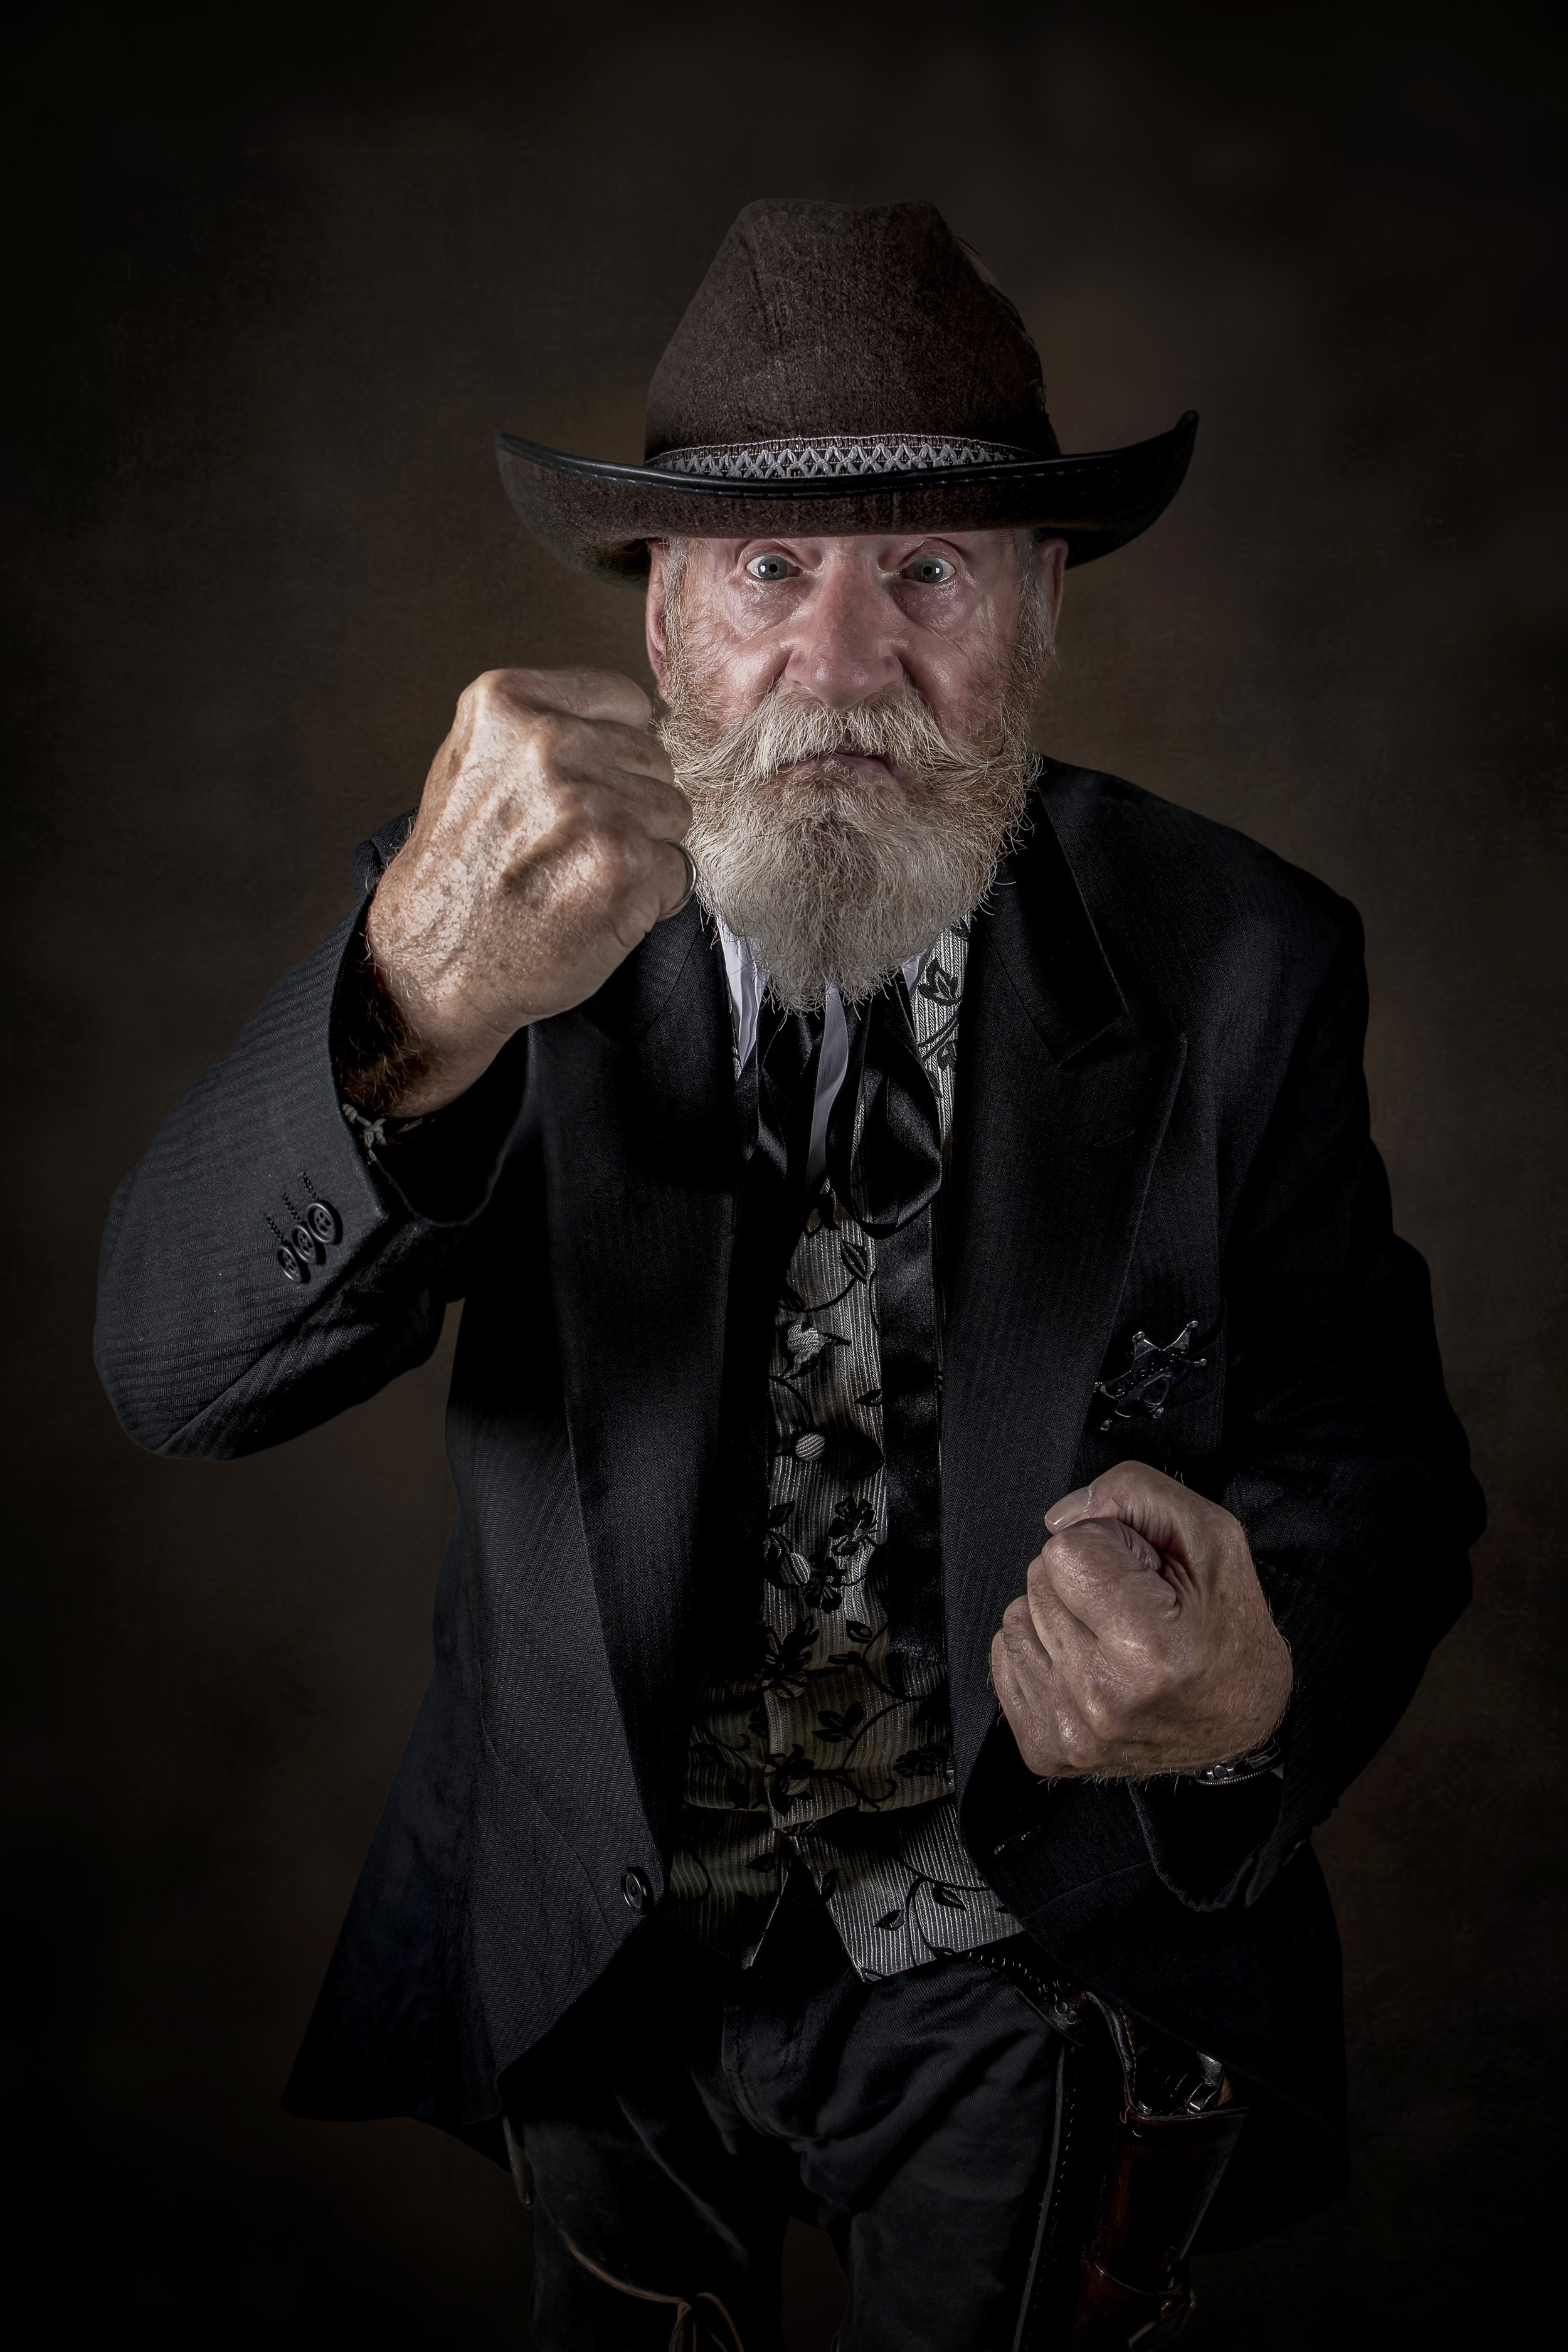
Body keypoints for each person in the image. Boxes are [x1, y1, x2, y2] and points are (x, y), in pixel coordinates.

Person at [95, 199, 1481, 2349]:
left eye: (922, 569)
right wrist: (415, 1001)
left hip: (1032, 1957)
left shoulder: (1244, 959)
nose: (839, 664)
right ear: (661, 617)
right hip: (601, 1953)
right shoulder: (478, 909)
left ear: (1035, 614)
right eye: (768, 569)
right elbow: (170, 1371)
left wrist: (1252, 1683)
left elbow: (1374, 1463)